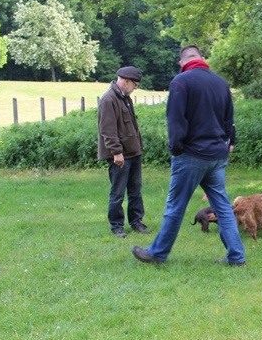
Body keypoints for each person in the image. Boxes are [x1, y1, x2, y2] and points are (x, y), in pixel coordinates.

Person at [131, 45, 246, 266]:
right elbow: (228, 121)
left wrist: (176, 149)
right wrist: (225, 143)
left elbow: (176, 120)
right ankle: (237, 257)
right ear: (201, 58)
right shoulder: (221, 83)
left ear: (181, 62)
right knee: (223, 208)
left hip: (191, 155)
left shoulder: (181, 82)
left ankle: (157, 253)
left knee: (175, 206)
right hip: (217, 156)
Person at [98, 66, 149, 238]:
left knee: (135, 190)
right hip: (120, 156)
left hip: (133, 153)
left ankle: (136, 222)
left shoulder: (125, 98)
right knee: (118, 192)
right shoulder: (109, 99)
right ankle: (116, 226)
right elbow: (107, 130)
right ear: (126, 81)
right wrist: (116, 152)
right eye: (135, 84)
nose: (135, 88)